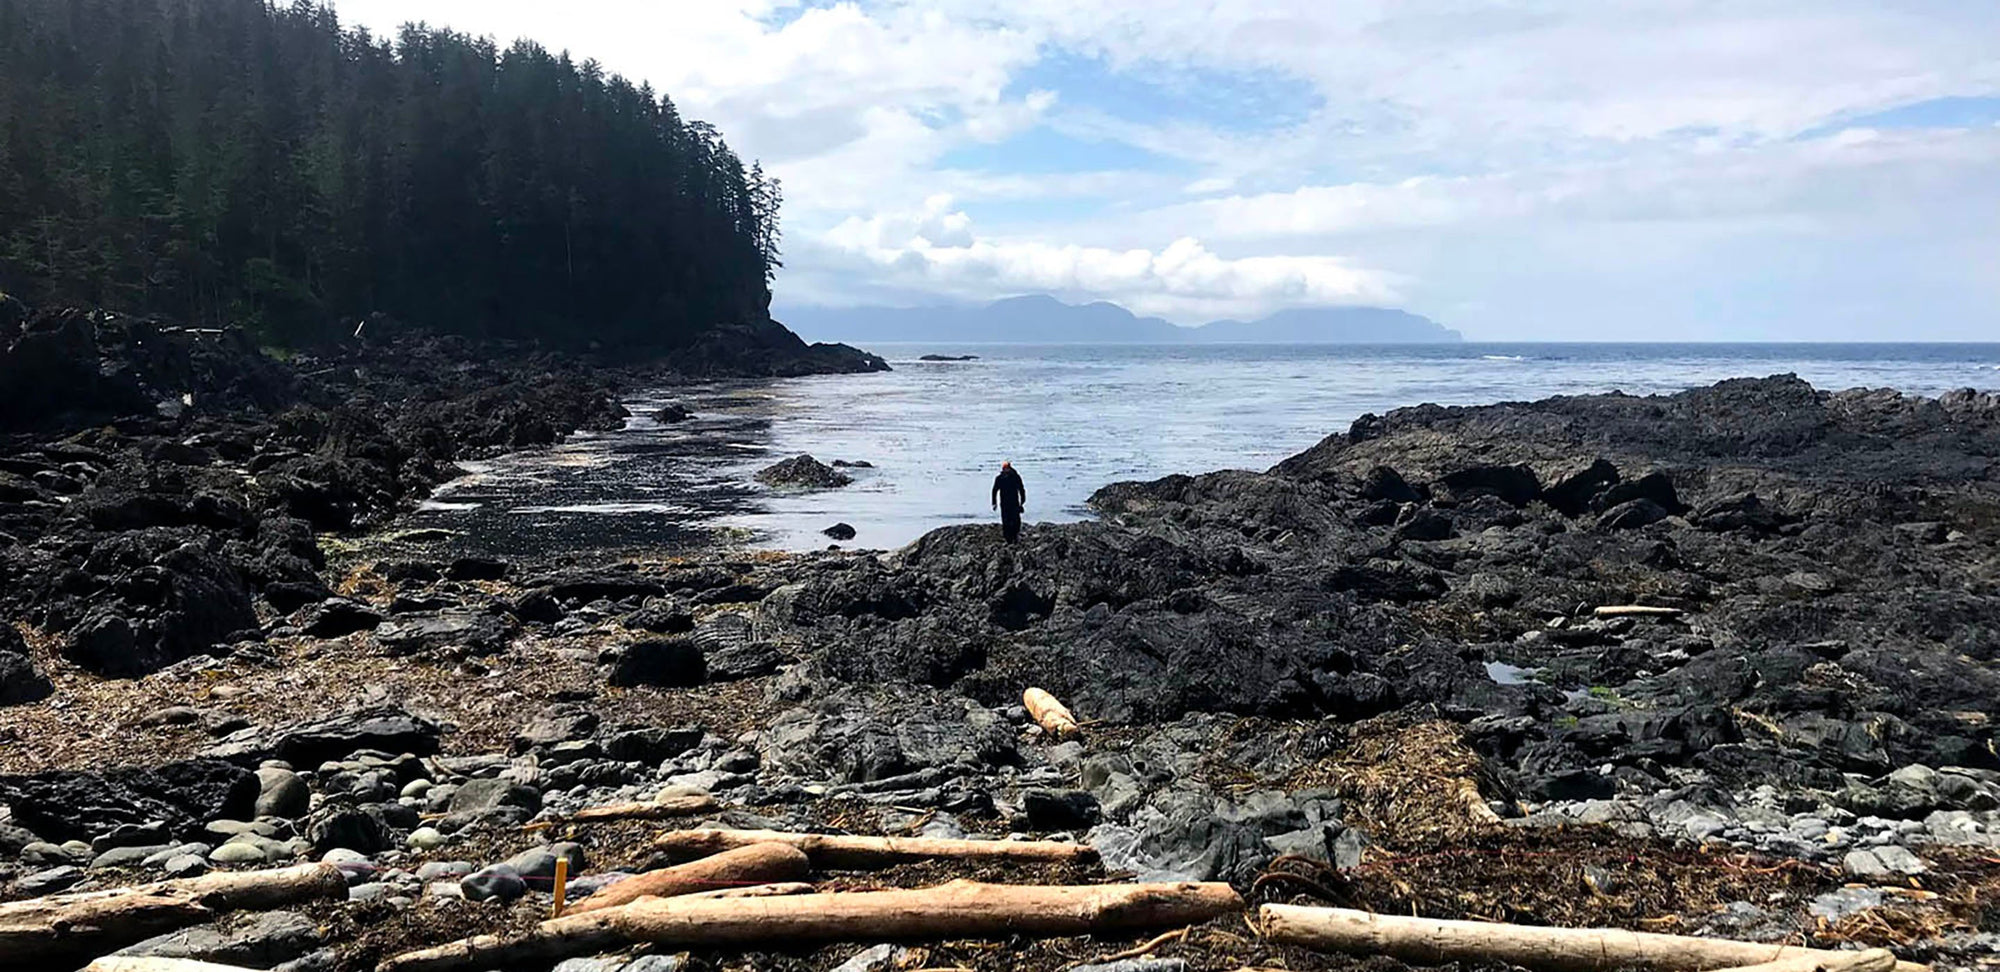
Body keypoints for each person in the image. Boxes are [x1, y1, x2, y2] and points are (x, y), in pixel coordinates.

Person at [991, 461, 1026, 543]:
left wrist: (1022, 501)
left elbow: (1021, 489)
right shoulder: (999, 478)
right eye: (1005, 468)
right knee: (1006, 520)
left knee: (1016, 520)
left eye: (1007, 468)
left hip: (1014, 502)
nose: (1006, 470)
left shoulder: (1015, 477)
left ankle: (1015, 535)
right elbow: (994, 490)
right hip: (1004, 502)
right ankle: (1008, 538)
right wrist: (994, 503)